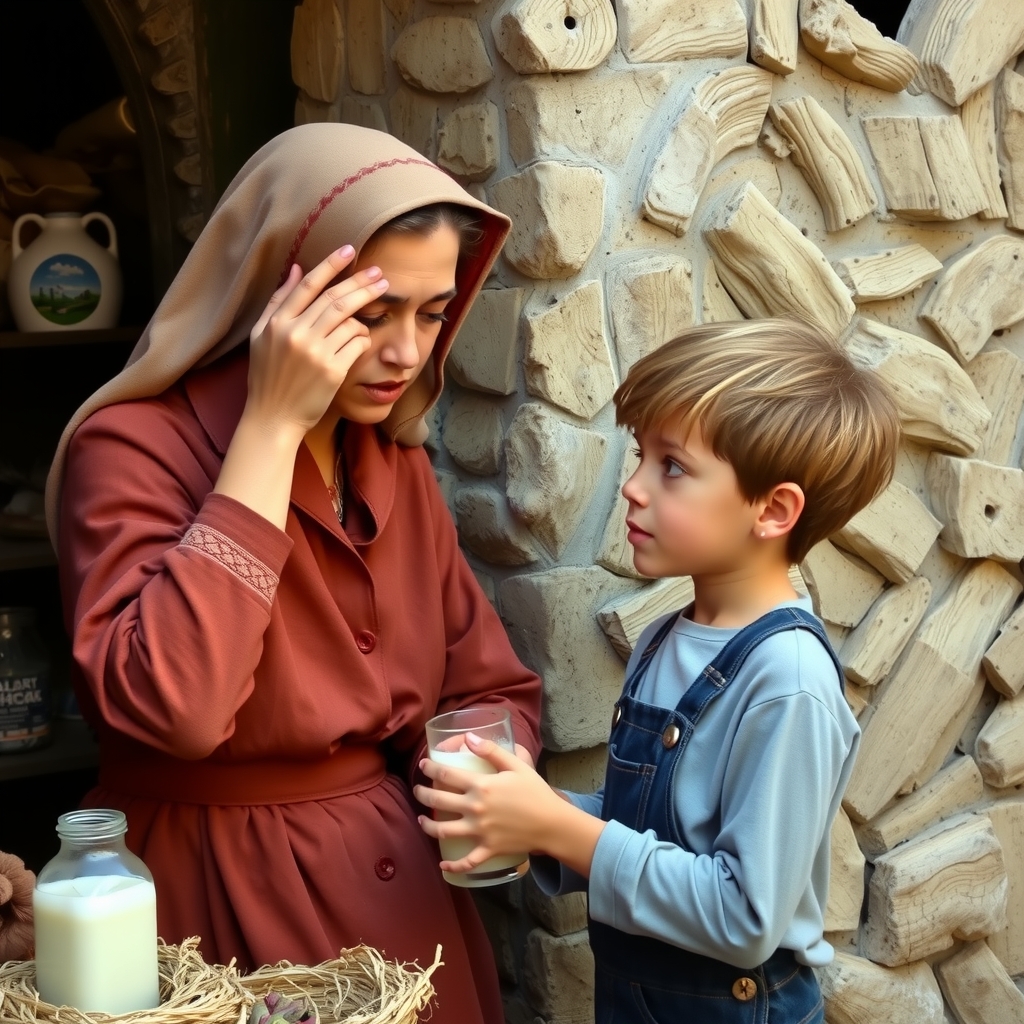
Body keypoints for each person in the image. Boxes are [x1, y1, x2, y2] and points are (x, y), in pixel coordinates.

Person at [45, 123, 542, 1024]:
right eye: (370, 311)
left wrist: (482, 774)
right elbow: (176, 707)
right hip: (217, 916)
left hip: (413, 930)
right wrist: (269, 430)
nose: (407, 355)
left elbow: (486, 684)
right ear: (282, 287)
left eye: (432, 314)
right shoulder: (130, 449)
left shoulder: (391, 460)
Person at [415, 317, 902, 1023]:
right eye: (641, 455)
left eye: (672, 466)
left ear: (773, 510)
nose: (633, 487)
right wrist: (523, 812)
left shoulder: (788, 681)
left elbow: (743, 916)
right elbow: (656, 836)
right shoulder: (665, 640)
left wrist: (560, 828)